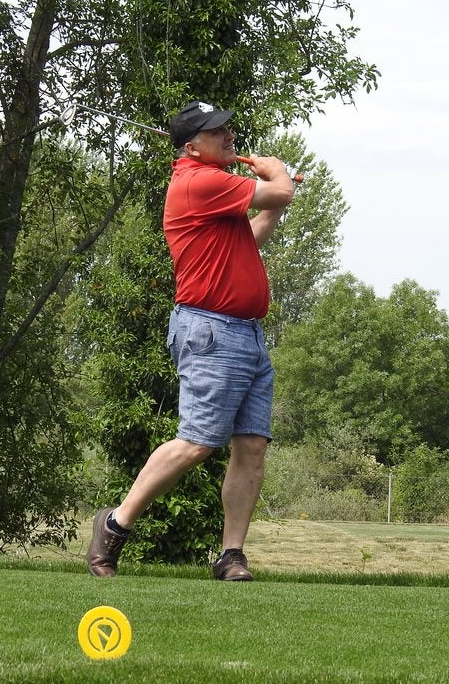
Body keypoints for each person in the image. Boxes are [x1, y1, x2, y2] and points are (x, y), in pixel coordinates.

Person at [87, 99, 295, 581]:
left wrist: (274, 197)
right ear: (190, 147)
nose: (228, 135)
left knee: (251, 446)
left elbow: (251, 236)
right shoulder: (199, 182)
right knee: (198, 441)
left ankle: (231, 555)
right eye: (215, 132)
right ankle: (114, 524)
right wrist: (277, 173)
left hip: (245, 334)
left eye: (227, 127)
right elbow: (278, 191)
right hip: (211, 330)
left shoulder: (217, 189)